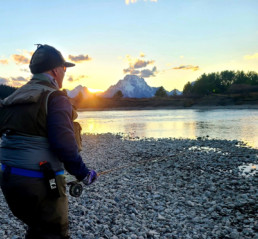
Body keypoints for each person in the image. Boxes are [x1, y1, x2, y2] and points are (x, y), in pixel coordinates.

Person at [0, 44, 97, 239]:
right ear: (55, 70)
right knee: (54, 232)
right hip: (40, 182)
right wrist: (83, 174)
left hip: (9, 179)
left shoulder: (14, 97)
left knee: (36, 226)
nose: (65, 72)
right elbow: (64, 144)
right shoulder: (55, 97)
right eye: (64, 68)